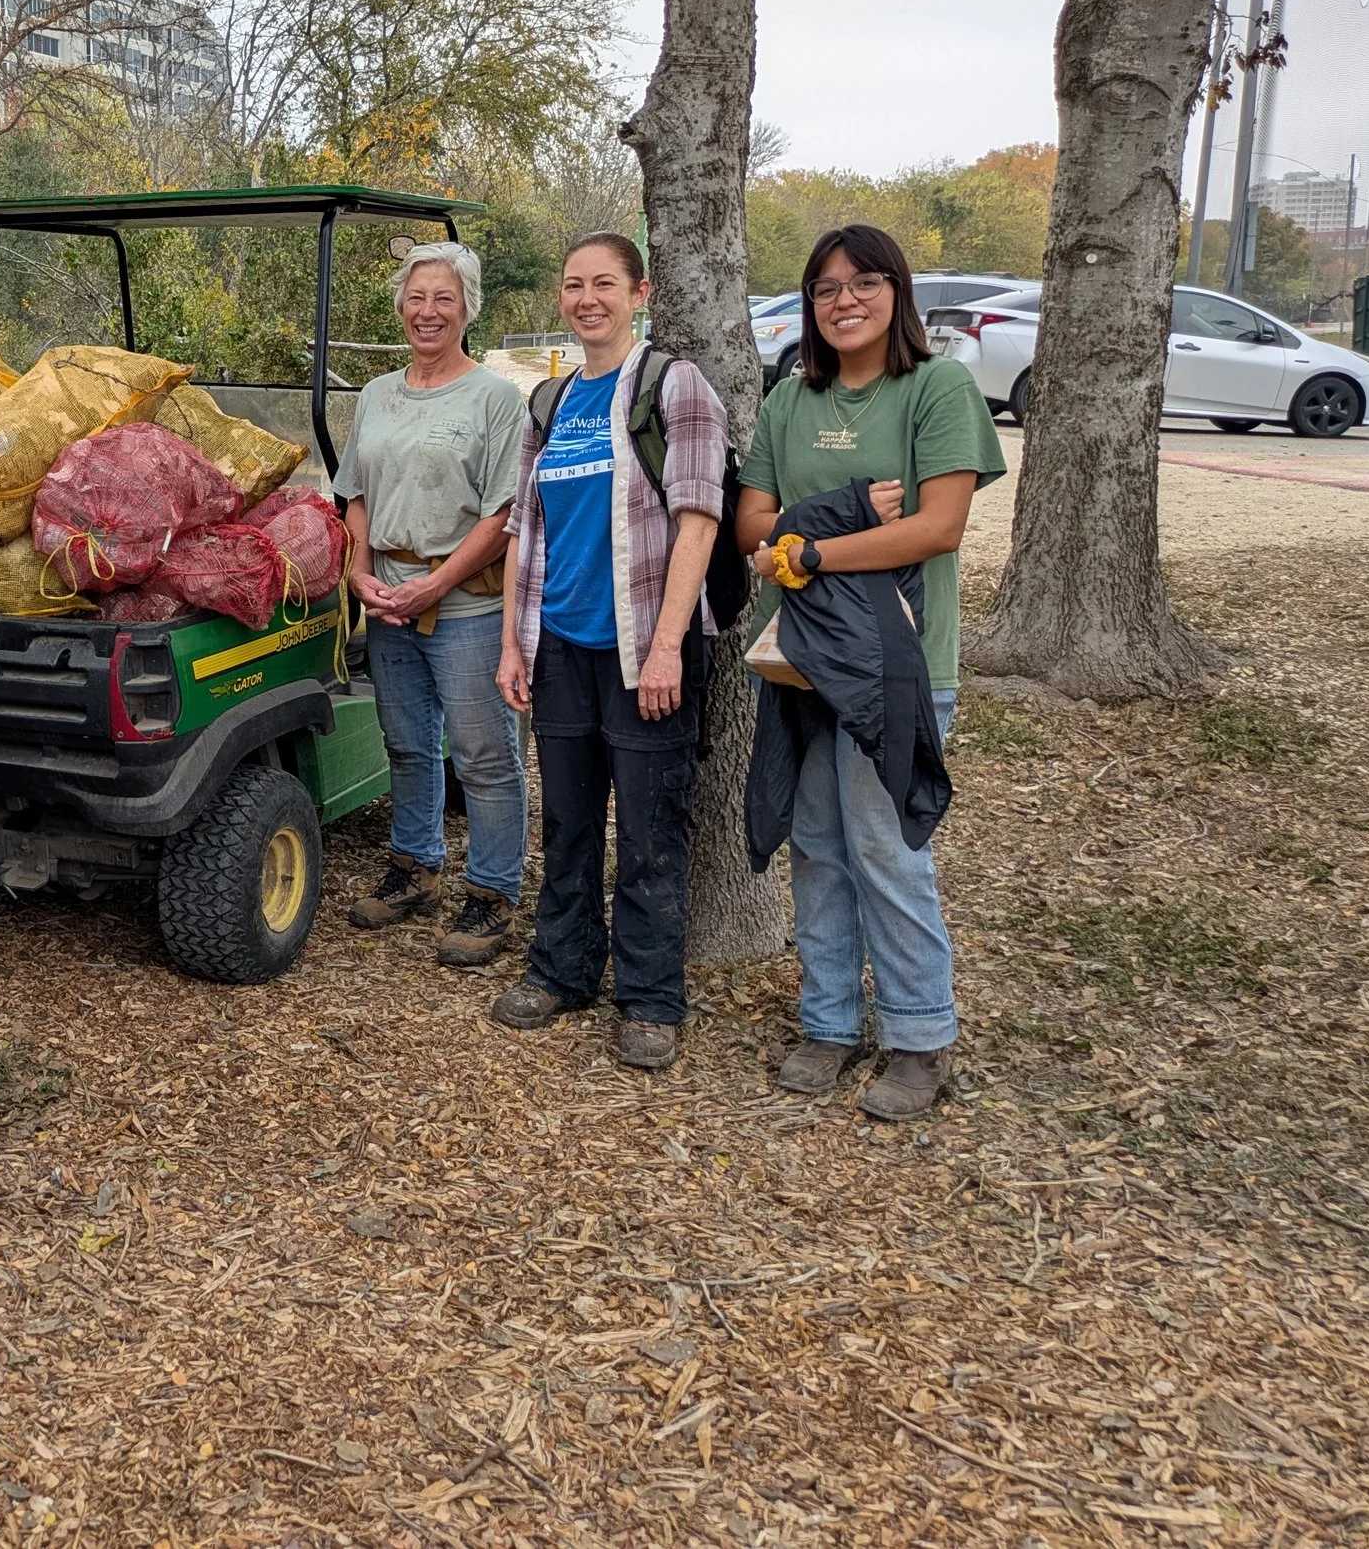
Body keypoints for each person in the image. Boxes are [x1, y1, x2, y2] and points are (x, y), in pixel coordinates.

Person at [735, 223, 1005, 1121]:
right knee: (816, 845)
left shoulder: (936, 389)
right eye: (825, 288)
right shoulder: (791, 401)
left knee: (886, 850)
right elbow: (752, 528)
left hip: (897, 668)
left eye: (863, 283)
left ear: (898, 292)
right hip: (801, 666)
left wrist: (807, 548)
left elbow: (937, 529)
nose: (843, 301)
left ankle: (921, 1037)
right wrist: (829, 521)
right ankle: (829, 1023)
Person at [493, 235, 728, 1068]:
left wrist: (668, 645)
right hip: (561, 648)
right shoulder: (549, 403)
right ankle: (561, 970)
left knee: (653, 831)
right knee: (567, 822)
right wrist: (513, 646)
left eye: (605, 284)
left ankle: (651, 998)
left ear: (640, 292)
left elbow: (699, 515)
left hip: (643, 651)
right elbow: (526, 529)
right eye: (573, 285)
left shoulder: (674, 387)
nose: (588, 298)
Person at [334, 241, 529, 965]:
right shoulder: (379, 393)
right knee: (409, 745)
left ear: (467, 308)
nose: (428, 311)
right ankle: (415, 866)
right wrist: (359, 569)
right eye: (417, 297)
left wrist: (438, 583)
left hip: (465, 604)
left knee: (483, 754)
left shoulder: (494, 398)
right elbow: (354, 491)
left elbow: (505, 512)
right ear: (399, 305)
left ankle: (491, 891)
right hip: (389, 598)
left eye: (444, 298)